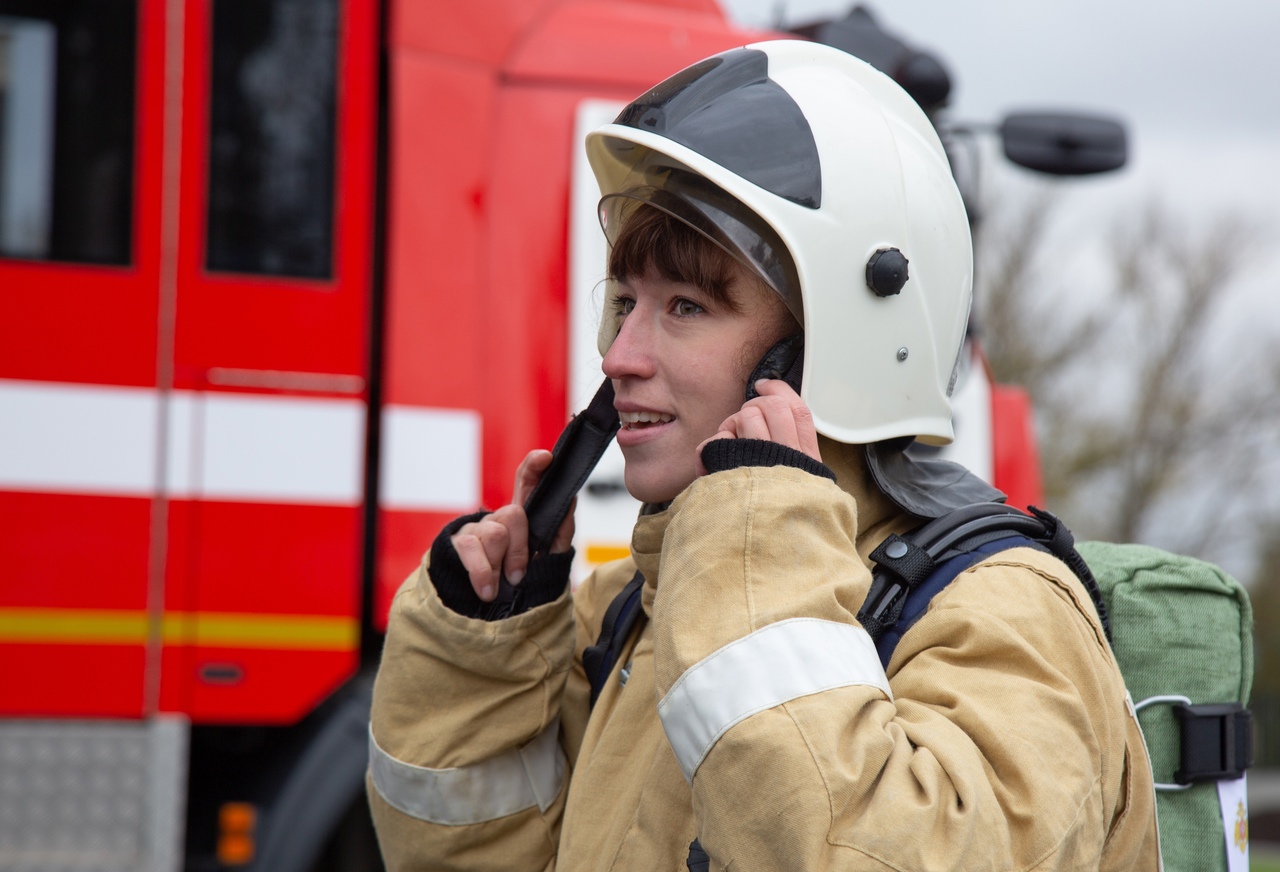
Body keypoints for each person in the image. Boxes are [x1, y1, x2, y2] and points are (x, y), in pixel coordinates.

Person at [367, 40, 1160, 870]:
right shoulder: (631, 610)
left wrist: (755, 551)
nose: (618, 356)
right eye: (625, 302)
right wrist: (482, 662)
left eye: (685, 307)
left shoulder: (1005, 617)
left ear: (826, 351)